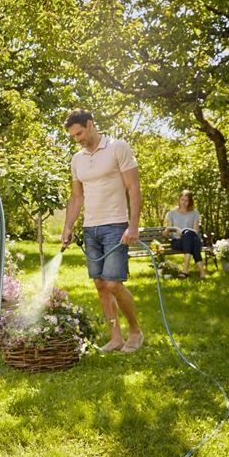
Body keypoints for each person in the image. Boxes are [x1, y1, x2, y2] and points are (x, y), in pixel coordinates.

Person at [60, 109, 144, 354]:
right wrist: (68, 226)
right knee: (100, 284)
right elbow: (77, 197)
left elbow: (133, 188)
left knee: (113, 283)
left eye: (79, 133)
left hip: (116, 225)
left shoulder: (118, 147)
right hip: (91, 228)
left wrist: (133, 225)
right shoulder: (77, 159)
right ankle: (115, 337)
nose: (77, 139)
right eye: (73, 136)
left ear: (90, 124)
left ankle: (135, 332)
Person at [164, 190, 206, 279]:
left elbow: (196, 232)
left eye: (186, 200)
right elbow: (169, 229)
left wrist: (185, 232)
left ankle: (186, 270)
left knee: (188, 235)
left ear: (190, 202)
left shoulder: (195, 213)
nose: (183, 202)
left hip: (192, 238)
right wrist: (175, 230)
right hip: (177, 241)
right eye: (182, 200)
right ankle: (201, 272)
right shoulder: (171, 213)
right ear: (179, 200)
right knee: (192, 242)